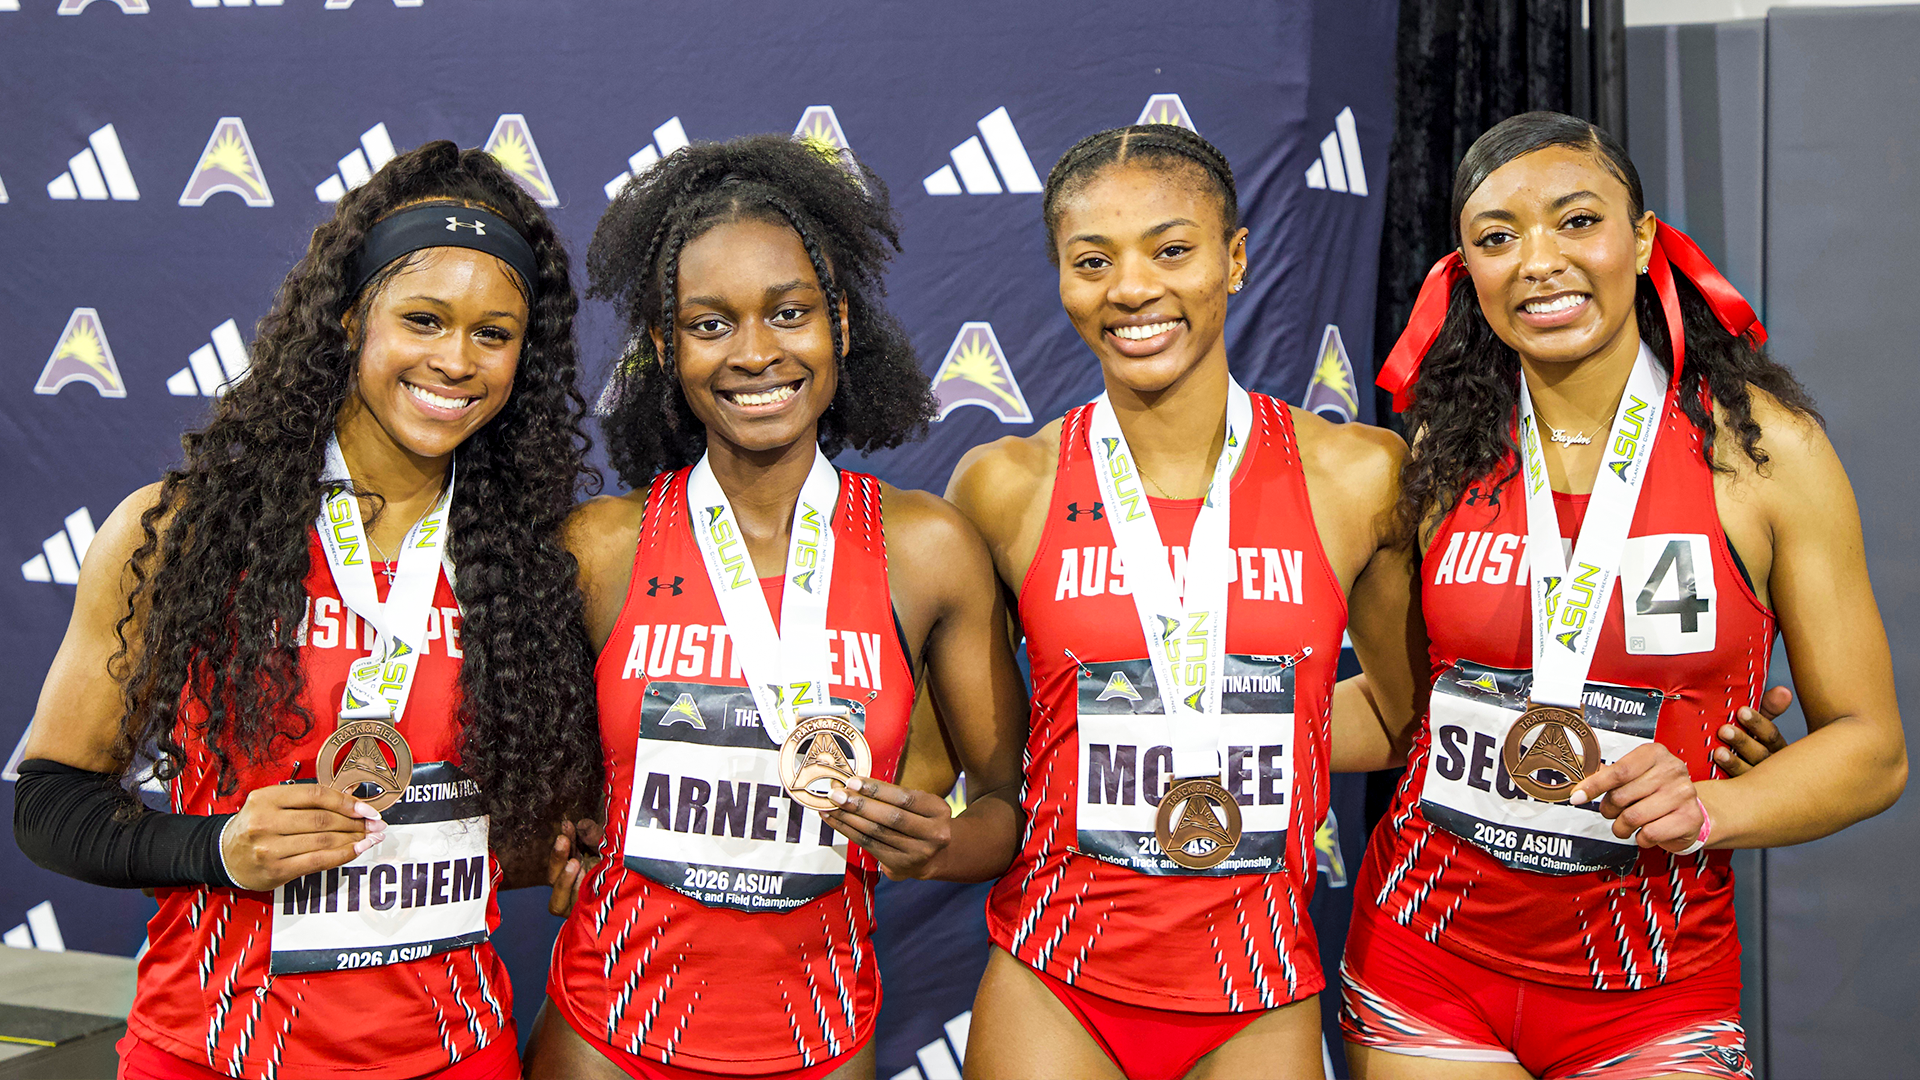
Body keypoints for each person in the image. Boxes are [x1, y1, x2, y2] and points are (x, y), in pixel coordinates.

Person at [12, 140, 603, 1080]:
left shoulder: (537, 564)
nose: (456, 360)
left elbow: (503, 830)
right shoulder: (188, 533)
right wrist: (221, 849)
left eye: (493, 334)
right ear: (350, 315)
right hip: (212, 1051)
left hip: (455, 1056)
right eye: (423, 319)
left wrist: (573, 852)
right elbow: (51, 802)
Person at [1344, 111, 1908, 1080]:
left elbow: (1874, 750)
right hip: (1425, 960)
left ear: (1643, 241)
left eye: (1577, 221)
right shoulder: (1444, 451)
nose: (1540, 261)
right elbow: (1404, 716)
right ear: (1466, 270)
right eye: (1498, 237)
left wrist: (1715, 807)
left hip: (1652, 988)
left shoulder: (1763, 453)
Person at [525, 135, 1027, 1080]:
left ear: (839, 322)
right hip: (605, 1036)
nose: (755, 353)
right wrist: (559, 833)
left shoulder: (928, 550)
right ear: (667, 347)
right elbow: (539, 792)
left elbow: (1007, 806)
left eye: (789, 313)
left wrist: (942, 845)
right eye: (710, 324)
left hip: (818, 1041)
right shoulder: (601, 546)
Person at [942, 123, 1429, 1080]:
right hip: (1055, 977)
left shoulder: (1359, 475)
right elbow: (961, 757)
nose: (1131, 289)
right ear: (1061, 276)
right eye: (1093, 261)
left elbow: (1403, 716)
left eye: (1171, 250)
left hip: (1260, 984)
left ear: (1235, 259)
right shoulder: (1003, 485)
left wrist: (1233, 720)